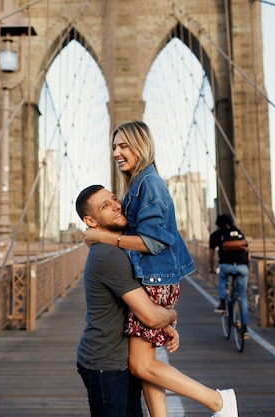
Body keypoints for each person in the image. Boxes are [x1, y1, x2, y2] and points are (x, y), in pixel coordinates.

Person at [84, 120, 238, 417]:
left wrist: (103, 236)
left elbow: (153, 241)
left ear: (141, 146)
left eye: (124, 145)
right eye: (114, 146)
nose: (117, 152)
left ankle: (218, 401)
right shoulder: (138, 183)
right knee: (147, 366)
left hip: (156, 277)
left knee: (140, 364)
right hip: (153, 277)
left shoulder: (149, 185)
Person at [76, 184, 179, 417]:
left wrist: (167, 324)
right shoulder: (109, 255)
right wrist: (171, 316)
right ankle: (217, 401)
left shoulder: (118, 247)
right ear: (91, 221)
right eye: (105, 206)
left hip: (122, 360)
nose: (116, 206)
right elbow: (151, 316)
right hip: (105, 364)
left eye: (113, 199)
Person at [209, 214, 250, 338]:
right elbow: (247, 252)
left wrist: (211, 268)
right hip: (243, 267)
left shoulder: (216, 235)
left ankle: (222, 303)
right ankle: (245, 328)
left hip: (226, 266)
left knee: (222, 276)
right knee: (242, 296)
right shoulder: (239, 233)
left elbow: (210, 256)